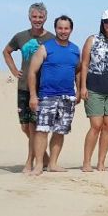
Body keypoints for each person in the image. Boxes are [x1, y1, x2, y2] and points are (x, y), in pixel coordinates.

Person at [2, 2, 54, 173]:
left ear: (45, 18)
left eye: (40, 17)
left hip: (40, 89)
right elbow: (6, 52)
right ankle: (43, 156)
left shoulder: (51, 39)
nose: (37, 20)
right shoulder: (20, 37)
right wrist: (14, 69)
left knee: (34, 127)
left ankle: (29, 161)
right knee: (25, 126)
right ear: (29, 17)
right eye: (34, 17)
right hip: (23, 87)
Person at [27, 15, 80, 175]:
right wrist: (33, 95)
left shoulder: (75, 49)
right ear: (56, 28)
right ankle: (38, 165)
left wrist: (79, 90)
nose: (63, 31)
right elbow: (32, 72)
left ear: (71, 29)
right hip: (47, 96)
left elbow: (77, 71)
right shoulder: (45, 47)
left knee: (60, 130)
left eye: (66, 28)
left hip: (67, 97)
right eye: (60, 28)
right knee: (42, 130)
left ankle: (53, 164)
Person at [79, 10, 108, 172]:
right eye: (107, 22)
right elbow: (84, 64)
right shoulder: (92, 40)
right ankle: (86, 161)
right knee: (96, 125)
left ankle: (101, 162)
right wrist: (83, 86)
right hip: (94, 88)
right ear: (102, 23)